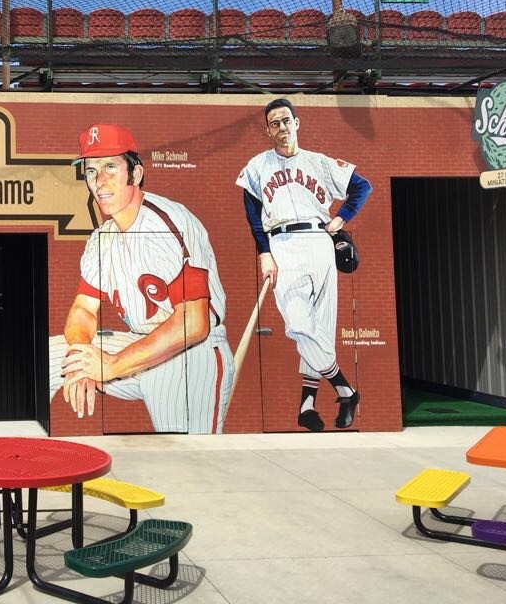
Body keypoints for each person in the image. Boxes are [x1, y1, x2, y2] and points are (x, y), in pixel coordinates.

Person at [50, 123, 234, 434]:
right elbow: (83, 310)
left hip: (191, 353)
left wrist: (110, 365)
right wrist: (81, 362)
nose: (99, 181)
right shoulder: (101, 239)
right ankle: (13, 457)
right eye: (91, 171)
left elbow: (193, 323)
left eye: (110, 167)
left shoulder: (171, 222)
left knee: (185, 463)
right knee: (51, 355)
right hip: (138, 345)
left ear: (135, 174)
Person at [236, 98, 372, 431]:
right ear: (268, 131)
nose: (281, 127)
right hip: (282, 242)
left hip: (319, 241)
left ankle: (307, 403)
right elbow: (253, 215)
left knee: (319, 327)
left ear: (297, 122)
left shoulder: (319, 162)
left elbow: (361, 187)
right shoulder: (257, 166)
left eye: (286, 120)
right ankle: (346, 389)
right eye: (274, 124)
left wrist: (341, 219)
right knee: (299, 323)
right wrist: (263, 252)